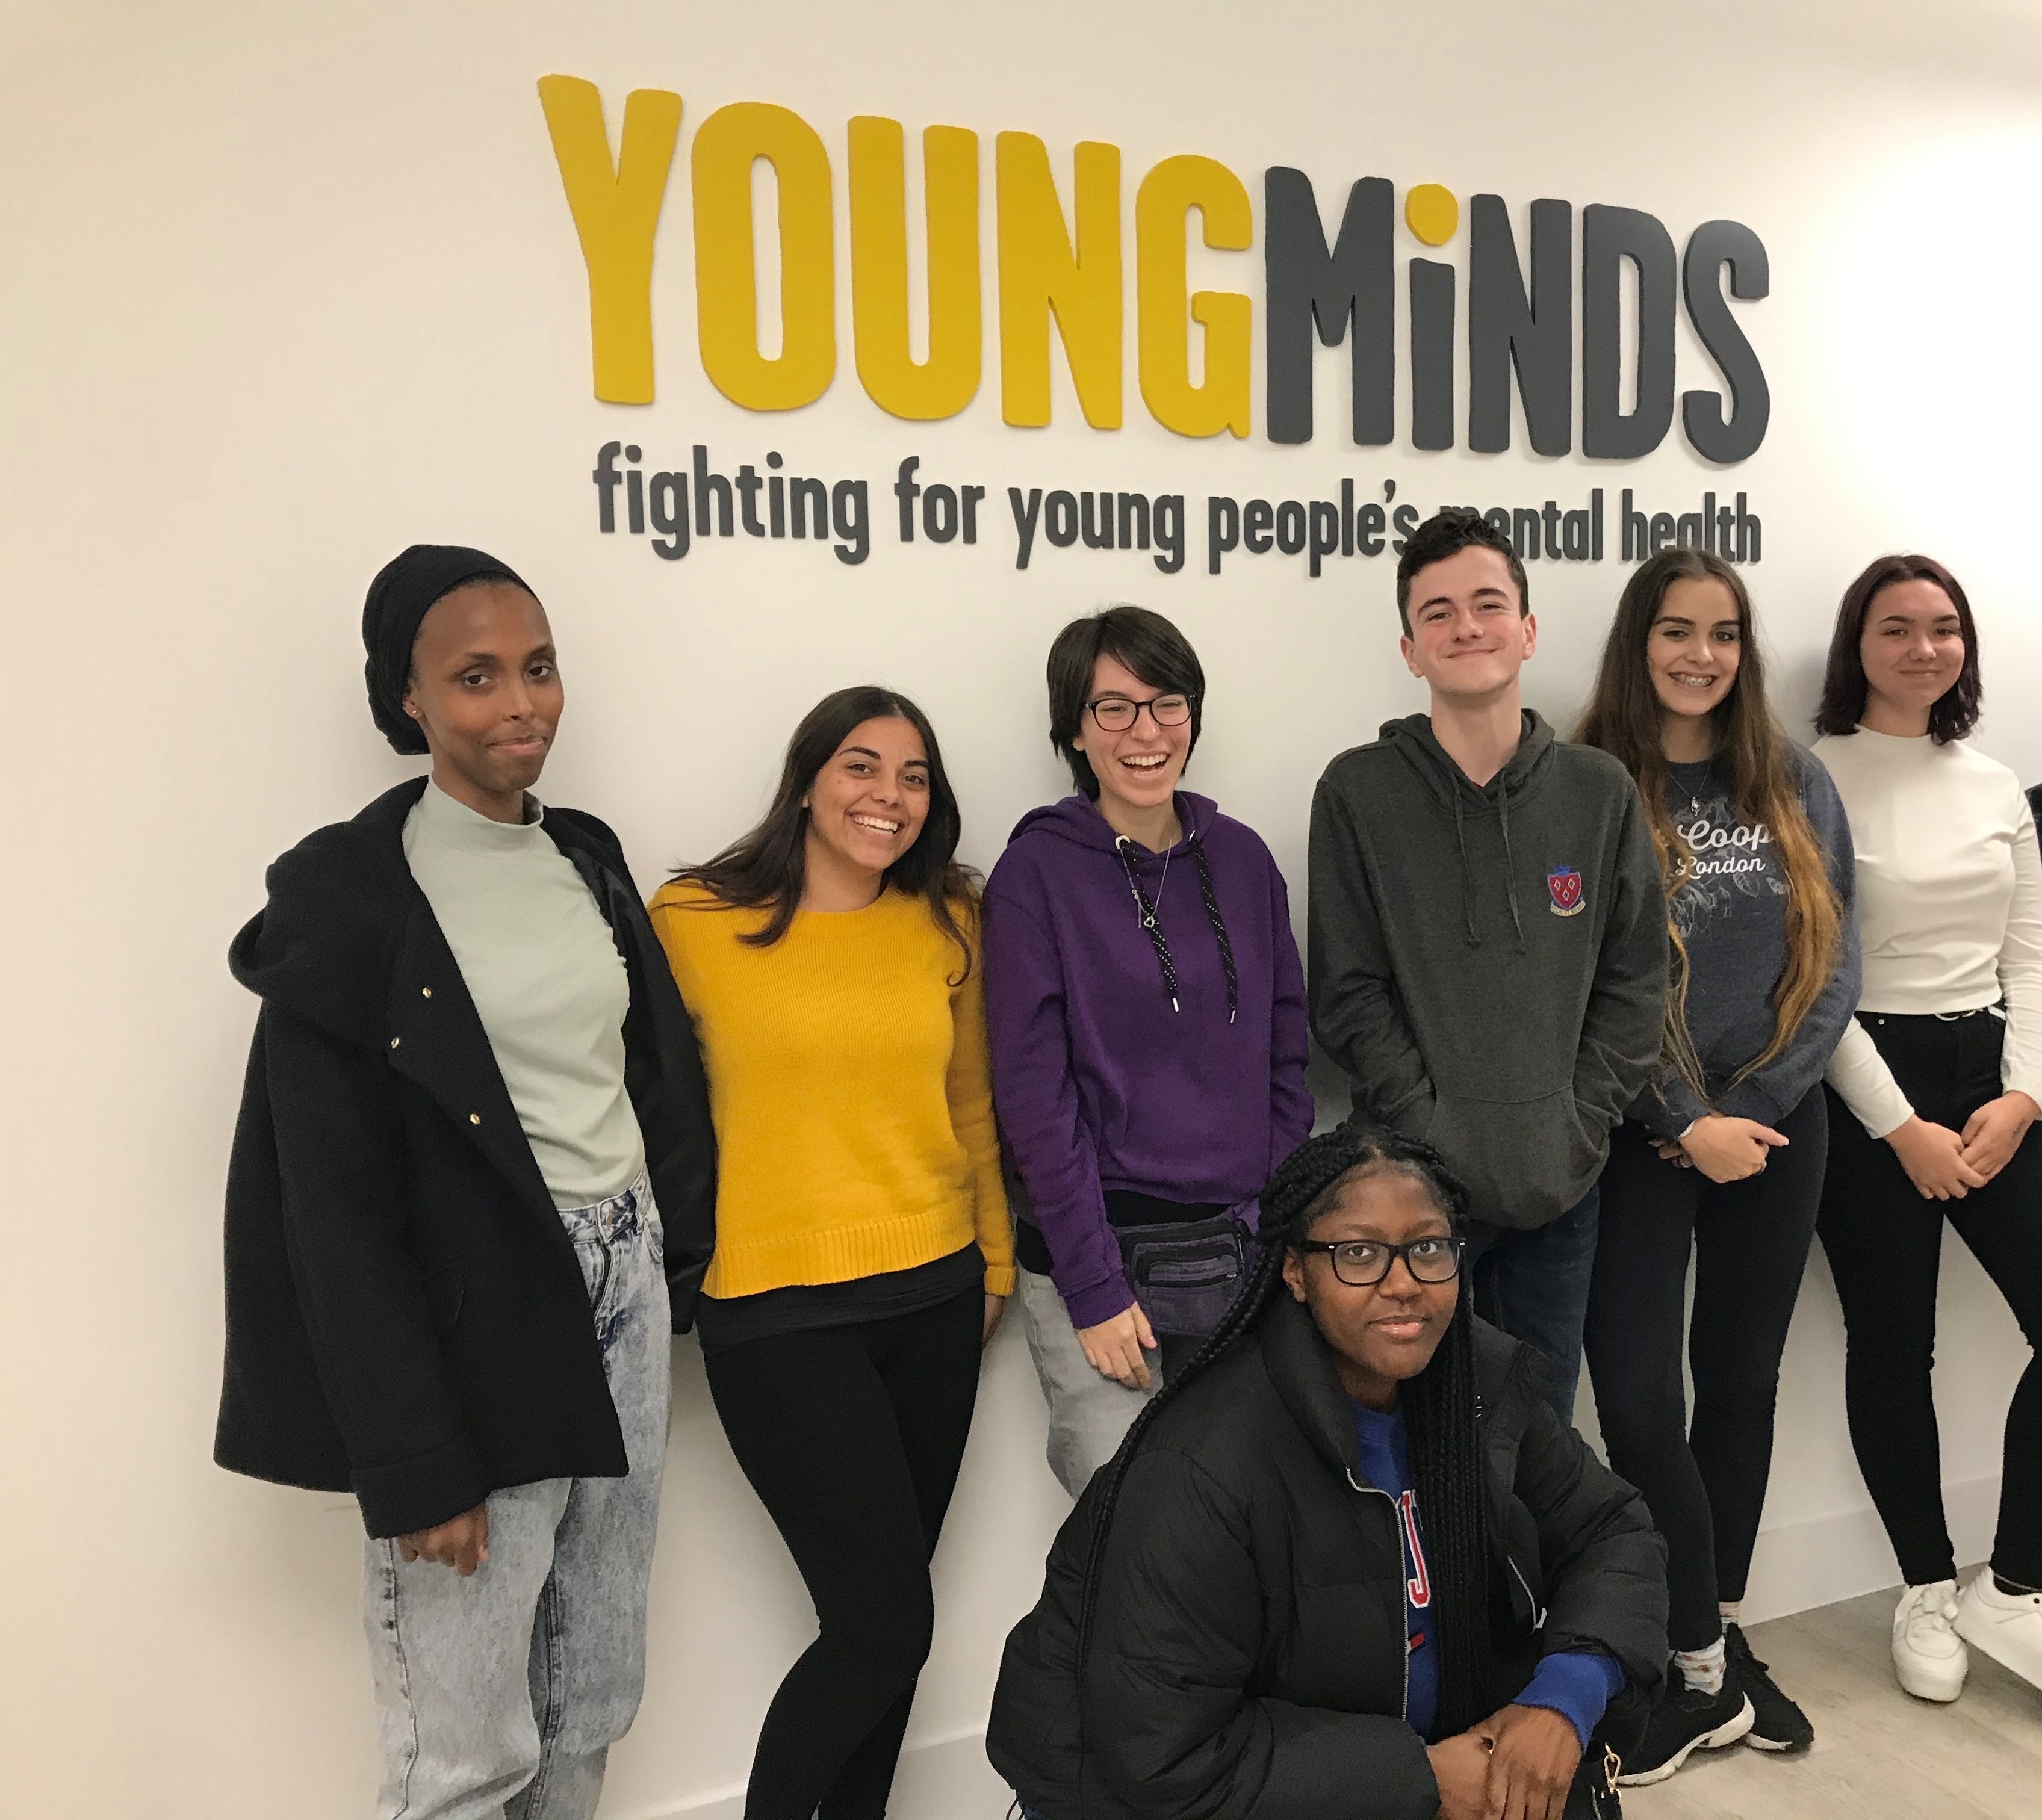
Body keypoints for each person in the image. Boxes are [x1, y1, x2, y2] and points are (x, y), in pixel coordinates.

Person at [216, 545, 717, 1820]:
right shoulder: (351, 902)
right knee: (466, 1744)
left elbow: (643, 1074)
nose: (520, 705)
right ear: (409, 705)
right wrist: (415, 1459)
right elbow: (330, 1208)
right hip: (475, 1314)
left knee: (591, 1691)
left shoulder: (586, 856)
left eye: (538, 668)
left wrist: (671, 1263)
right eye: (477, 677)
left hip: (625, 1286)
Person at [985, 1125, 1668, 1820]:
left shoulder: (1480, 1383)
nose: (1402, 1284)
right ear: (1294, 1272)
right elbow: (1164, 1752)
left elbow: (1612, 1531)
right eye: (1359, 1254)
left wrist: (1564, 1696)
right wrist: (1422, 1779)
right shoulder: (1201, 1462)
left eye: (1428, 1248)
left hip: (1381, 1767)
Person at [646, 686, 1013, 1820]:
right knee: (881, 1623)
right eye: (861, 767)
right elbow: (652, 1111)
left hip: (938, 1295)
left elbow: (975, 1104)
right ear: (807, 780)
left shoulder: (948, 915)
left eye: (912, 777)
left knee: (891, 1623)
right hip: (775, 1309)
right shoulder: (689, 919)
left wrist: (993, 1262)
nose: (887, 797)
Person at [1574, 549, 1860, 1780]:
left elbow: (1839, 953)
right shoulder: (1585, 783)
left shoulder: (1791, 778)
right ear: (1637, 643)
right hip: (1641, 1142)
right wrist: (1682, 1118)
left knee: (1739, 1387)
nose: (1701, 655)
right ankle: (1684, 1641)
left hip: (1780, 1132)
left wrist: (1758, 1105)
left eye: (1724, 633)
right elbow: (1582, 981)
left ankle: (1720, 1645)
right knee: (1638, 1403)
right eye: (1676, 631)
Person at [1308, 507, 1668, 1421]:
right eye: (1438, 613)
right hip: (1407, 1200)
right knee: (1409, 1435)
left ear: (1528, 629)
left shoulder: (1599, 792)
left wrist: (1574, 1130)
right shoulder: (1357, 792)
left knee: (1536, 1442)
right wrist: (1436, 1137)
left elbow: (1635, 986)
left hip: (1561, 1190)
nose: (1466, 626)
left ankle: (1516, 1578)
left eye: (1487, 604)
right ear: (1410, 649)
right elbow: (1347, 995)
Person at [984, 605, 1314, 1496]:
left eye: (1167, 704)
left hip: (1238, 1257)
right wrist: (1092, 1288)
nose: (1146, 732)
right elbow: (1033, 1103)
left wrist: (1275, 1234)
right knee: (1128, 1535)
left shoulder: (1243, 861)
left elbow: (1287, 1057)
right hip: (1104, 1261)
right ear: (1075, 732)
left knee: (1246, 1526)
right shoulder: (1035, 878)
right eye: (1113, 709)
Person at [1813, 555, 2042, 1704]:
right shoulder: (1812, 777)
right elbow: (1814, 974)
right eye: (1895, 627)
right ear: (1857, 643)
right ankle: (1921, 1584)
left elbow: (2032, 952)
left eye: (1943, 627)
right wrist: (1899, 1124)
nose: (1921, 648)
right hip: (1867, 1088)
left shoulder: (1995, 780)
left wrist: (2022, 1093)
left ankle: (2010, 1581)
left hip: (1992, 1070)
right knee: (1893, 1345)